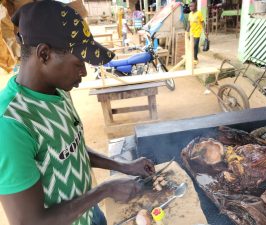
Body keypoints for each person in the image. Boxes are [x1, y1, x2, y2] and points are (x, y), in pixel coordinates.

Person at [0, 1, 155, 225]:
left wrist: (123, 166)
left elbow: (70, 148)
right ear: (44, 54)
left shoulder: (57, 91)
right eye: (79, 62)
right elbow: (30, 221)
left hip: (89, 214)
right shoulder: (11, 124)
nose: (84, 71)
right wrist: (105, 190)